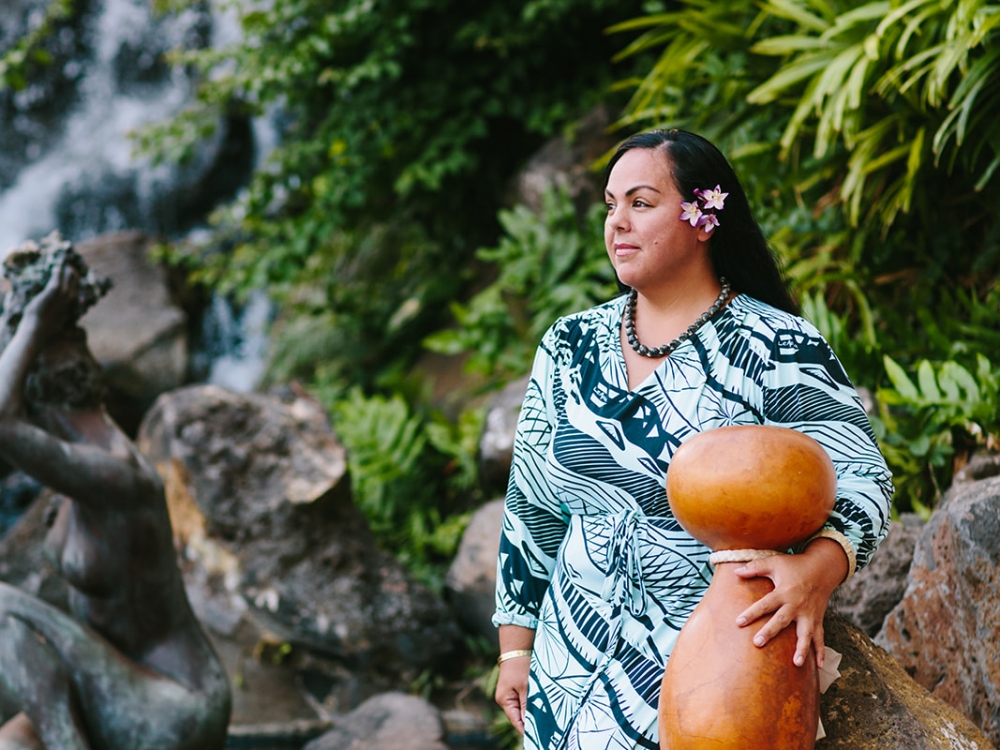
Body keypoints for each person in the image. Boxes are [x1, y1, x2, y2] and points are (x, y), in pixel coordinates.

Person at [492, 129, 893, 750]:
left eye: (640, 203)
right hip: (565, 668)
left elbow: (863, 478)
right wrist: (515, 650)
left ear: (703, 217)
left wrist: (817, 569)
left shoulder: (774, 345)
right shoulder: (568, 347)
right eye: (609, 204)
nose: (617, 223)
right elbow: (532, 509)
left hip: (712, 675)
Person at [0, 236, 231, 750]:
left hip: (177, 706)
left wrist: (34, 323)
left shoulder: (115, 473)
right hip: (118, 691)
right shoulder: (70, 475)